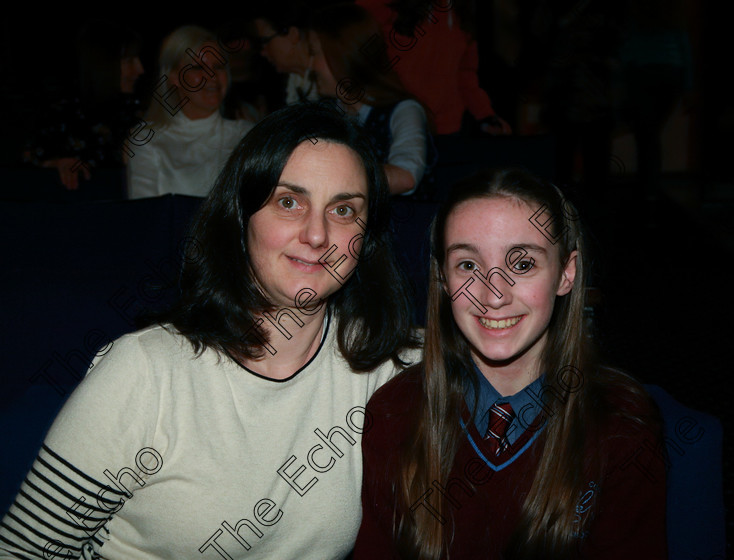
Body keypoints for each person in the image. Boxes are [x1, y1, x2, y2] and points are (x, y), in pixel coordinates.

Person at [0, 103, 421, 559]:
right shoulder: (145, 372)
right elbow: (24, 552)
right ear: (241, 218)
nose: (317, 234)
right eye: (288, 202)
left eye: (343, 210)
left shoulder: (385, 367)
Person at [354, 167, 667, 558]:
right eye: (468, 265)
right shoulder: (394, 412)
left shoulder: (621, 424)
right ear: (444, 281)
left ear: (565, 274)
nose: (493, 293)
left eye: (522, 264)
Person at [308, 3, 431, 196]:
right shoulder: (327, 111)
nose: (311, 65)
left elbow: (407, 177)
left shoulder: (403, 110)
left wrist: (333, 171)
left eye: (315, 53)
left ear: (342, 55)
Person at [127, 25, 253, 198]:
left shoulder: (248, 136)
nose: (212, 76)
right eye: (198, 67)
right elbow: (146, 215)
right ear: (174, 77)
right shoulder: (147, 140)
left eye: (218, 67)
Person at [22, 20, 145, 191]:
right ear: (103, 65)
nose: (140, 69)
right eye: (129, 60)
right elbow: (25, 163)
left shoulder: (139, 112)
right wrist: (54, 165)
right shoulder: (60, 115)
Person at [357, 0, 512, 136]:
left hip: (447, 132)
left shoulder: (459, 12)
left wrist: (485, 115)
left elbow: (465, 75)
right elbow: (349, 55)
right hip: (394, 127)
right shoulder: (378, 6)